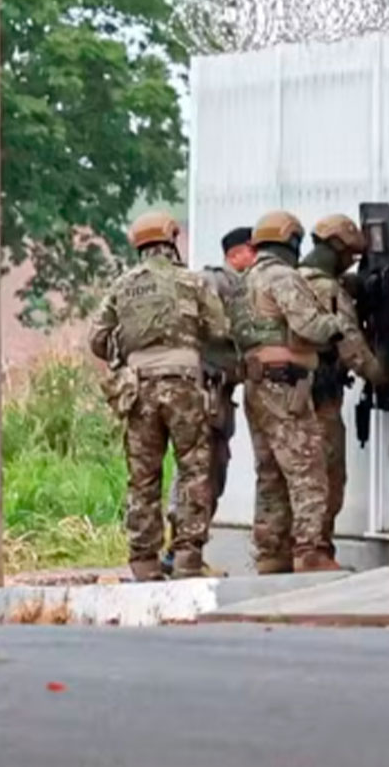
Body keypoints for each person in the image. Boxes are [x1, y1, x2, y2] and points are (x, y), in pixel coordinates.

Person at [90, 211, 229, 582]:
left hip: (138, 390)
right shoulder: (193, 281)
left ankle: (144, 564)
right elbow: (219, 329)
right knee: (194, 470)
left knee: (143, 478)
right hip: (183, 385)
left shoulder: (122, 286)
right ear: (170, 240)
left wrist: (128, 355)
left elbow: (97, 340)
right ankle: (187, 559)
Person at [227, 211, 345, 574]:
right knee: (308, 467)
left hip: (255, 384)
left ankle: (271, 553)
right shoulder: (281, 276)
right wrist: (337, 325)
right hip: (285, 384)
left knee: (270, 473)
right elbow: (308, 324)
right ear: (290, 241)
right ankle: (310, 551)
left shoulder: (244, 281)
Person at [161, 227, 255, 575]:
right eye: (252, 250)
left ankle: (183, 552)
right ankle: (182, 554)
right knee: (199, 470)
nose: (257, 257)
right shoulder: (214, 282)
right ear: (235, 254)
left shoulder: (238, 287)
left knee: (213, 469)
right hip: (205, 392)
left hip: (219, 393)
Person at [300, 215, 385, 558]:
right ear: (335, 248)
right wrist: (383, 375)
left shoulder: (292, 279)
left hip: (288, 397)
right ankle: (316, 551)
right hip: (322, 400)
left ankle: (279, 554)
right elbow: (351, 348)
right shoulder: (328, 289)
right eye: (349, 255)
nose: (352, 261)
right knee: (327, 476)